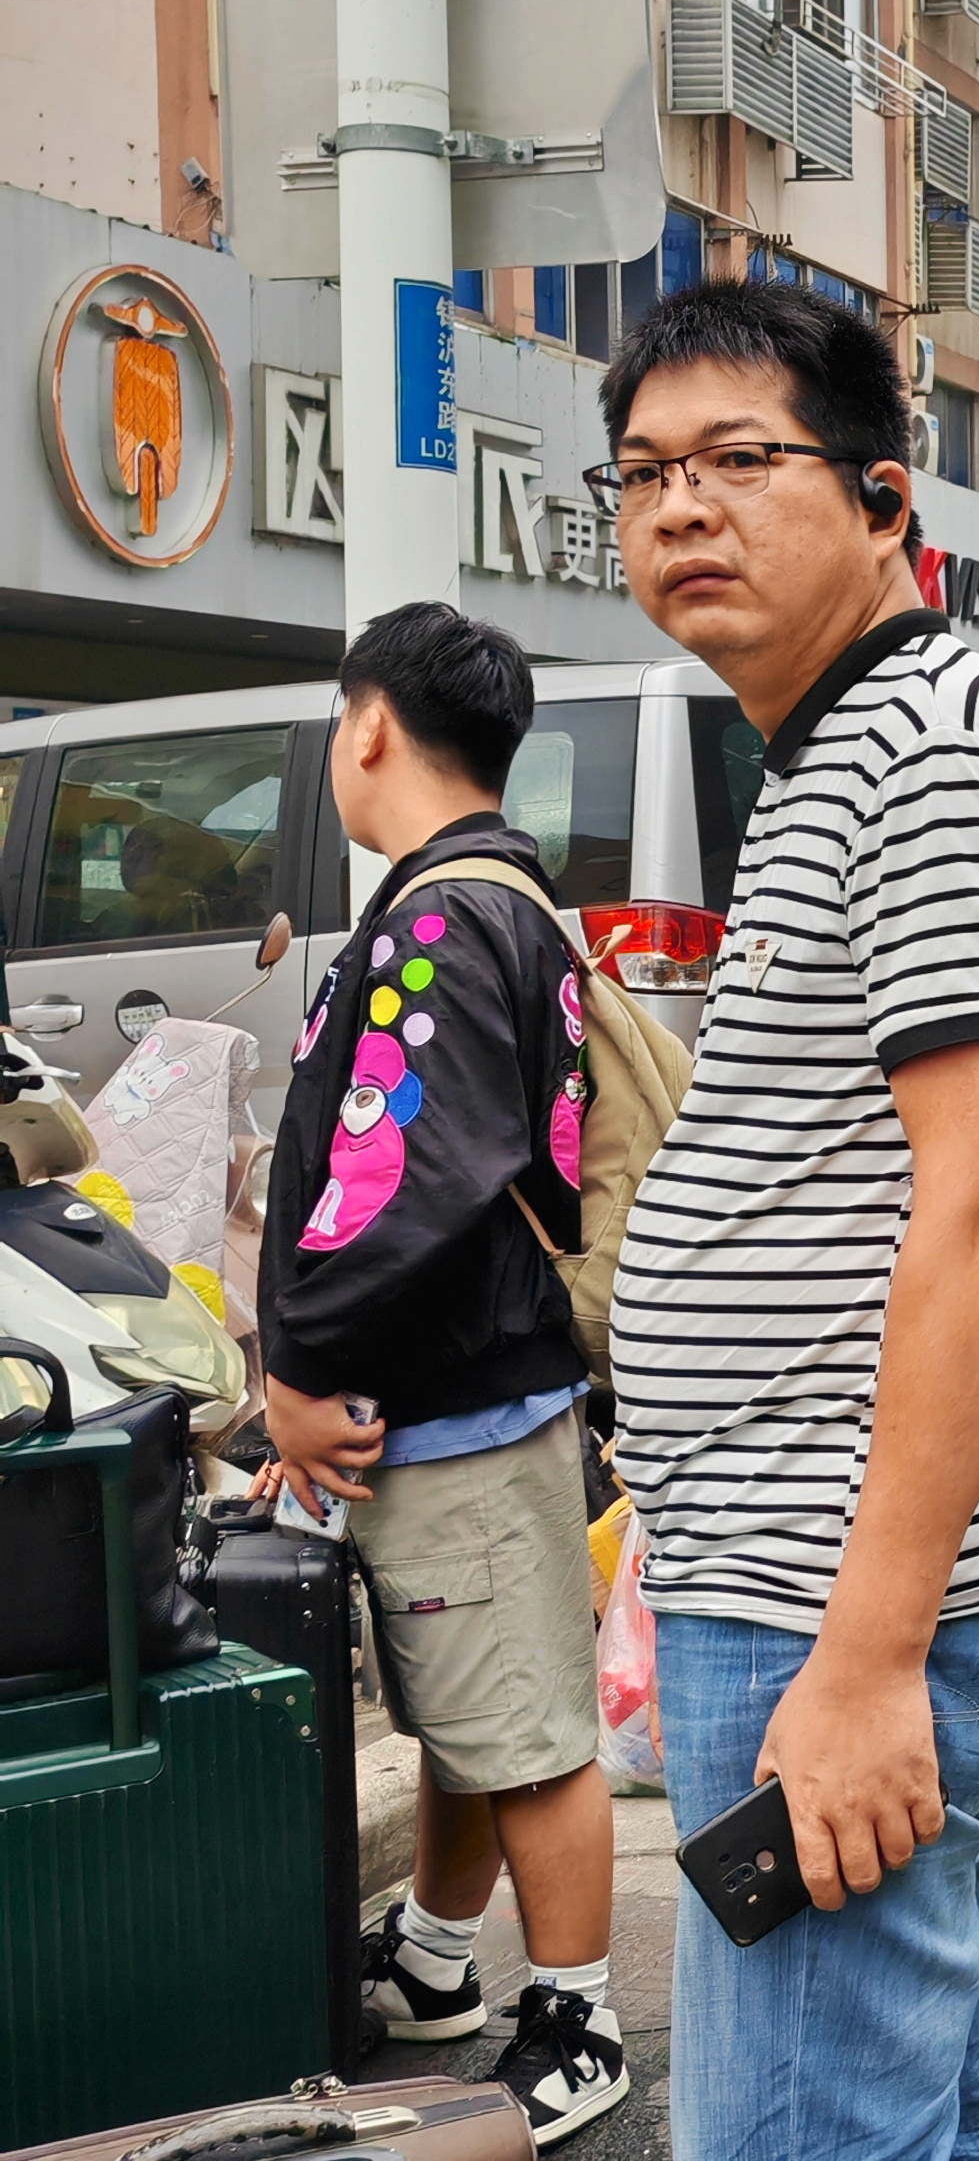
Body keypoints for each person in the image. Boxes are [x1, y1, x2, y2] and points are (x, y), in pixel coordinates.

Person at [599, 279, 979, 2161]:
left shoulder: (935, 747)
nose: (683, 509)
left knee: (806, 2131)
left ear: (888, 497)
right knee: (946, 2099)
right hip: (817, 1551)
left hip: (841, 1576)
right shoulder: (855, 742)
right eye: (646, 471)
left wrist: (867, 1650)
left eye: (744, 460)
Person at [255, 601, 625, 2146]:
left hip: (459, 1399)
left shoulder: (435, 921)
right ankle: (436, 1957)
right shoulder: (504, 898)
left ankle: (581, 2018)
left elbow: (397, 1176)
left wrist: (297, 1361)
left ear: (368, 728)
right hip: (480, 1387)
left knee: (526, 1733)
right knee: (474, 1706)